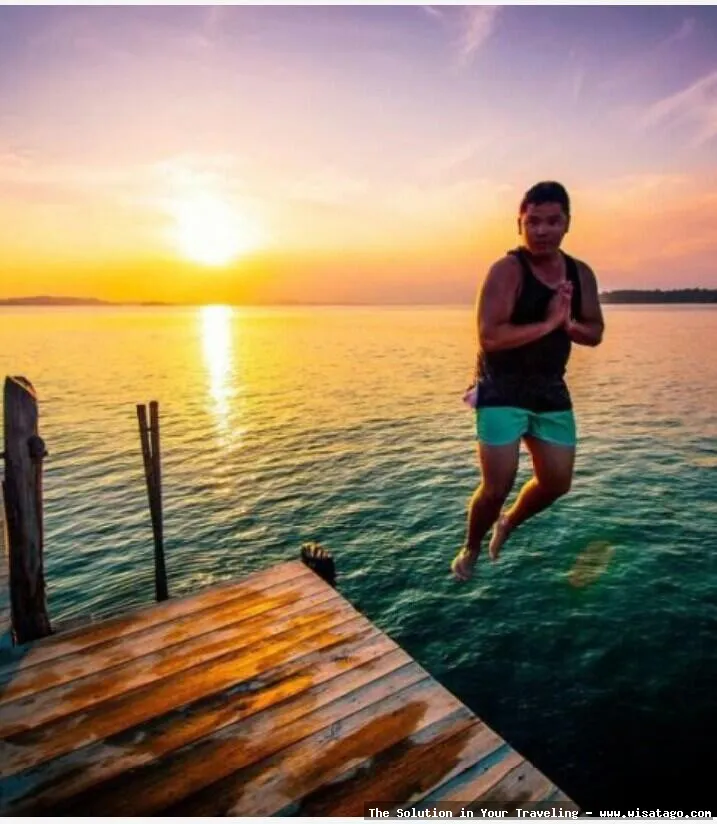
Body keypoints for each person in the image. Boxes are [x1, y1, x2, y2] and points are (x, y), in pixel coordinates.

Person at [451, 181, 605, 582]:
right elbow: (490, 337)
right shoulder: (507, 270)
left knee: (557, 483)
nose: (542, 230)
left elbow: (594, 332)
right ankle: (469, 548)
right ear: (518, 224)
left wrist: (568, 323)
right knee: (496, 487)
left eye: (552, 221)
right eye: (532, 221)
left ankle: (508, 524)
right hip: (501, 387)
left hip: (550, 388)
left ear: (567, 223)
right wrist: (549, 323)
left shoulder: (580, 273)